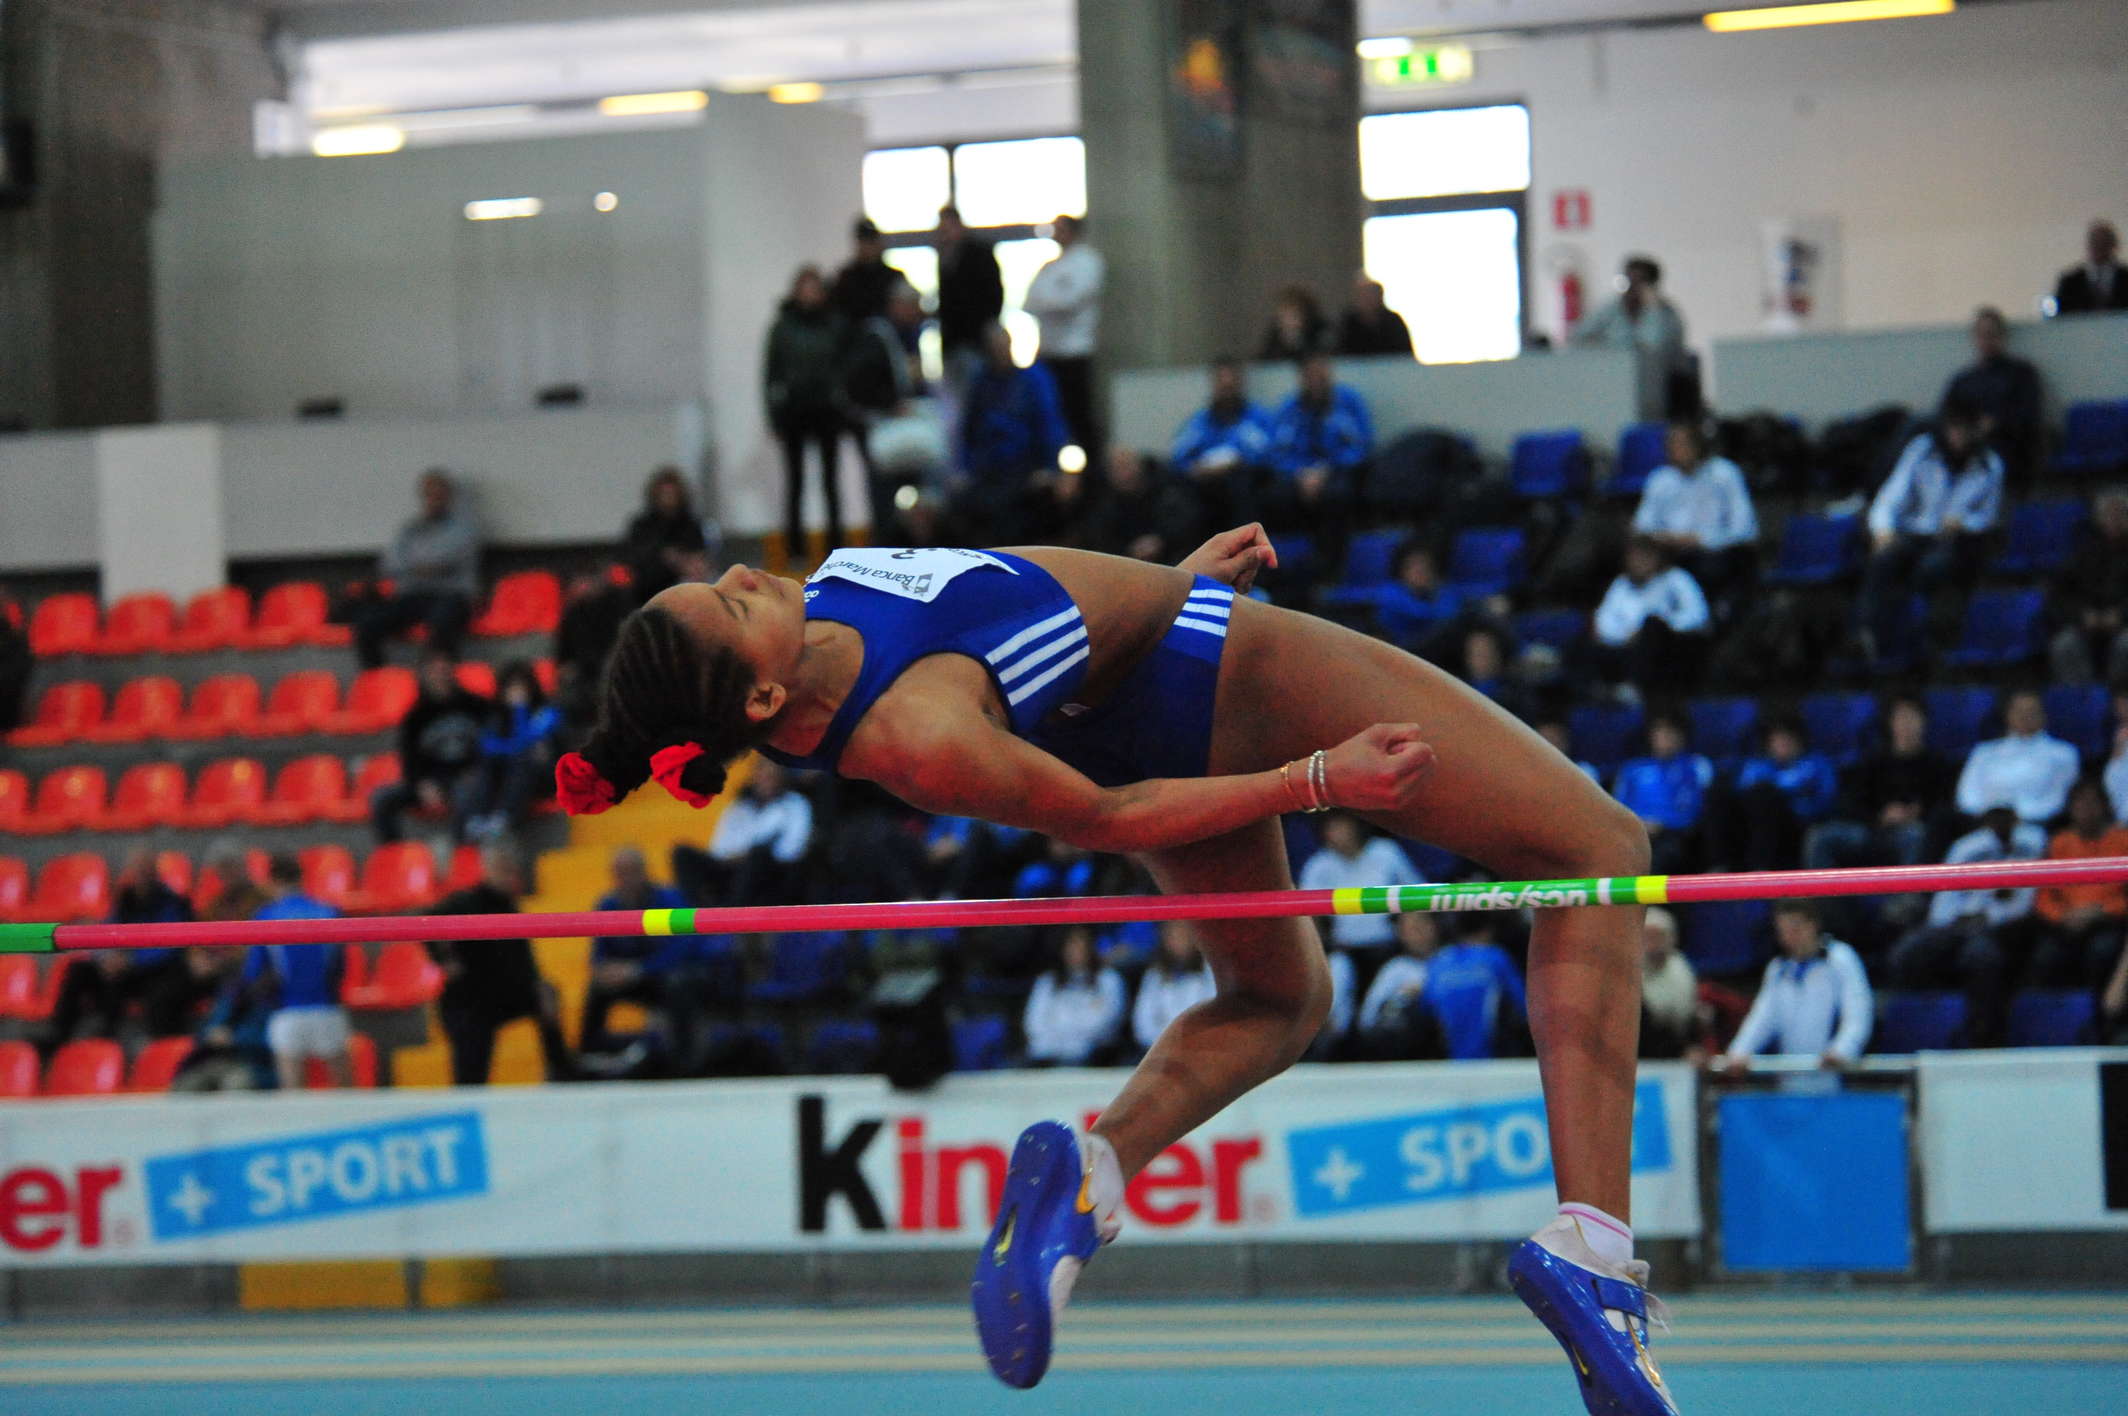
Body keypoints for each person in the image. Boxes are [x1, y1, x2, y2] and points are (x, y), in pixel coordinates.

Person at [555, 521, 1674, 1411]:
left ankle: (1095, 1173)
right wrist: (1315, 778)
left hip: (1145, 675)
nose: (747, 573)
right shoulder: (915, 732)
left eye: (722, 579)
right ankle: (1592, 1247)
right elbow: (1108, 817)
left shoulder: (828, 610)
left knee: (1278, 1000)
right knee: (1599, 851)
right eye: (732, 603)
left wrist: (1157, 590)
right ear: (760, 701)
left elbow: (1018, 616)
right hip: (1213, 678)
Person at [1888, 804, 2046, 1047]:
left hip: (2006, 928)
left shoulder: (2032, 843)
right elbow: (1945, 895)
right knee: (1908, 952)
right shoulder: (1968, 846)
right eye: (1994, 816)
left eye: (2005, 816)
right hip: (1957, 924)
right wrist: (1951, 921)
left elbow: (2026, 901)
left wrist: (1990, 918)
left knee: (1980, 956)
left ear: (2016, 817)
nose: (2000, 823)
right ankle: (1922, 1037)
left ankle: (1983, 1043)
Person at [1859, 401, 2003, 661]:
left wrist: (1965, 522)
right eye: (1953, 429)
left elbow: (1988, 516)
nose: (1957, 437)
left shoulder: (1990, 465)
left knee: (1933, 568)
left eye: (1964, 430)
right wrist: (1883, 530)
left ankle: (1921, 639)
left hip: (1957, 540)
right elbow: (1891, 497)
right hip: (1916, 531)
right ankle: (1867, 633)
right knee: (1883, 560)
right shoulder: (1922, 450)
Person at [426, 844, 573, 1085]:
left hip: (504, 995)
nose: (509, 876)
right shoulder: (466, 901)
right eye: (502, 869)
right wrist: (443, 960)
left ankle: (562, 1074)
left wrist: (538, 984)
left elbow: (524, 958)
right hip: (470, 1000)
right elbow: (427, 921)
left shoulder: (509, 905)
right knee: (471, 1071)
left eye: (511, 870)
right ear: (488, 869)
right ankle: (470, 1095)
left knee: (546, 993)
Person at [581, 845, 726, 1062]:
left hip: (671, 975)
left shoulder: (669, 899)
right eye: (620, 872)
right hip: (637, 978)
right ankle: (590, 1053)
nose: (626, 879)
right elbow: (599, 952)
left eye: (631, 871)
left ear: (644, 871)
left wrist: (640, 969)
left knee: (678, 983)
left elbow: (684, 946)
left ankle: (683, 1060)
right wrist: (604, 970)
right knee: (598, 986)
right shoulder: (608, 904)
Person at [350, 470, 483, 669]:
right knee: (367, 624)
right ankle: (378, 678)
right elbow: (389, 564)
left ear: (449, 497)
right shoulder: (409, 529)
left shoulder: (464, 529)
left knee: (443, 622)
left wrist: (412, 564)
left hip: (451, 595)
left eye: (439, 495)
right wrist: (418, 566)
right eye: (429, 495)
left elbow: (442, 562)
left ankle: (439, 678)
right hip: (412, 596)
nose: (434, 501)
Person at [1715, 901, 1872, 1070]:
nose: (1789, 938)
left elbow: (1858, 1013)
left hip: (1834, 1071)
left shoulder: (1840, 958)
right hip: (1790, 1073)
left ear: (1813, 925)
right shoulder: (1778, 968)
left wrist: (1842, 1051)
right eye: (1783, 931)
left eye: (1795, 929)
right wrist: (1738, 1052)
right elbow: (1762, 1018)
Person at [1804, 695, 1950, 872]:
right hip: (1870, 829)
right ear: (1890, 723)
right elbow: (1852, 802)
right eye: (1900, 717)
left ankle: (1908, 890)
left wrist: (1916, 813)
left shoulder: (1936, 763)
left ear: (1924, 721)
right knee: (1820, 836)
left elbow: (1944, 806)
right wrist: (1881, 816)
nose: (1906, 724)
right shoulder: (1873, 760)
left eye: (1912, 717)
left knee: (1916, 835)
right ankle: (1824, 890)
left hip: (1913, 829)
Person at [763, 267, 850, 562]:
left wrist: (842, 402)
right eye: (805, 288)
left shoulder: (835, 324)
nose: (810, 295)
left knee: (831, 483)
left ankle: (836, 547)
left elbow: (844, 367)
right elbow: (771, 374)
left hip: (827, 411)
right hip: (795, 411)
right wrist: (774, 415)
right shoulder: (782, 327)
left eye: (814, 288)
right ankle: (796, 549)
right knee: (795, 483)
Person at [1629, 420, 1758, 615]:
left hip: (1715, 551)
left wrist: (1700, 539)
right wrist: (1664, 538)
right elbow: (1642, 525)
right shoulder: (1661, 479)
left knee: (1711, 566)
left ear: (1698, 445)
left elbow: (1745, 530)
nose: (1676, 449)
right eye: (1671, 444)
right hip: (1668, 550)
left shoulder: (1725, 474)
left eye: (1682, 443)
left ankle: (1709, 619)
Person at [955, 323, 1070, 542]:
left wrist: (1051, 467)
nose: (1000, 352)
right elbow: (969, 429)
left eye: (1004, 346)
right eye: (994, 347)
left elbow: (1050, 423)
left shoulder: (1033, 379)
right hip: (988, 471)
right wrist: (964, 467)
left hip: (1026, 469)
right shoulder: (980, 383)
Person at [246, 855, 351, 1089]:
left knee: (293, 1095)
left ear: (272, 881)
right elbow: (341, 965)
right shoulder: (329, 911)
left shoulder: (266, 916)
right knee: (346, 1092)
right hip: (327, 1009)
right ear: (300, 878)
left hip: (288, 1012)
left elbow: (253, 972)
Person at [844, 281, 935, 540]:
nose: (916, 314)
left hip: (897, 426)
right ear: (897, 305)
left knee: (913, 493)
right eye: (912, 307)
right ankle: (886, 544)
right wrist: (890, 404)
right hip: (883, 425)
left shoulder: (907, 336)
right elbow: (858, 384)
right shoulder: (877, 338)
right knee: (884, 495)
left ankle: (910, 540)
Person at [370, 649, 490, 843]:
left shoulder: (479, 706)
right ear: (424, 675)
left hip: (469, 777)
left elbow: (495, 744)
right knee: (381, 798)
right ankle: (393, 854)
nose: (440, 676)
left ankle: (462, 851)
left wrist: (479, 770)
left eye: (444, 670)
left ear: (453, 671)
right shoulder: (415, 716)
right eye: (434, 671)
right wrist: (421, 784)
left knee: (468, 794)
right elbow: (409, 758)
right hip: (433, 780)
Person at [670, 757, 813, 907]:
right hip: (733, 869)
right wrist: (736, 857)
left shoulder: (794, 804)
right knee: (682, 853)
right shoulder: (740, 807)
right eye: (763, 775)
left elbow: (792, 850)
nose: (767, 781)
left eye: (772, 776)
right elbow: (719, 848)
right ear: (754, 777)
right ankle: (700, 910)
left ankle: (734, 911)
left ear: (782, 779)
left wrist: (748, 854)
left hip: (771, 874)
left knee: (758, 855)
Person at [1262, 354, 1371, 551]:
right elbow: (1277, 452)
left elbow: (1362, 446)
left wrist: (1326, 471)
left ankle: (1330, 563)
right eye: (1310, 375)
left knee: (1338, 495)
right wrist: (1300, 474)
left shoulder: (1348, 403)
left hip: (1337, 471)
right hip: (1298, 475)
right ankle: (1284, 562)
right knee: (1274, 496)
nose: (1316, 380)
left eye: (1320, 373)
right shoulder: (1289, 408)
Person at [2031, 778, 2128, 989]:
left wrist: (2103, 911)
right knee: (2044, 956)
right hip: (2065, 924)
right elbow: (2044, 896)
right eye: (2079, 803)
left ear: (2105, 806)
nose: (2086, 809)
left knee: (2103, 951)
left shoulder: (2123, 840)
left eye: (2092, 802)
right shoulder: (2059, 843)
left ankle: (2105, 1009)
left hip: (2111, 923)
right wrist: (2062, 916)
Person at [1021, 214, 1105, 456]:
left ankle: (1091, 469)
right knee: (1050, 415)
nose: (1056, 234)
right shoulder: (1050, 266)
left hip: (1075, 351)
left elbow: (1071, 301)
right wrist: (1051, 300)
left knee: (1078, 414)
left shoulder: (1088, 262)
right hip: (1049, 350)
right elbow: (1030, 302)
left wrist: (1049, 301)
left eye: (1060, 229)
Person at [1712, 717, 1840, 872]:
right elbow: (1742, 793)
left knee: (1766, 795)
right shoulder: (1758, 765)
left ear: (1800, 741)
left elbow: (1825, 801)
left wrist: (1791, 798)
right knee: (1719, 796)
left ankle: (1761, 867)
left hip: (1799, 822)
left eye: (1788, 739)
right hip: (1755, 824)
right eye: (1777, 740)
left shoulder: (1817, 764)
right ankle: (1720, 866)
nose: (1782, 744)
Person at [1572, 255, 1690, 421]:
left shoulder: (1666, 314)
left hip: (1660, 386)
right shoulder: (1611, 308)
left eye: (1639, 282)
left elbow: (1654, 347)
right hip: (1612, 381)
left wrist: (1652, 308)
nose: (1631, 288)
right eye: (1628, 280)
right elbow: (1578, 337)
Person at [1589, 536, 1711, 697]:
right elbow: (1605, 617)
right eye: (1634, 558)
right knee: (1588, 635)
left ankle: (1634, 688)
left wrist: (1663, 624)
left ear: (1657, 558)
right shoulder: (1622, 583)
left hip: (1668, 644)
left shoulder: (1676, 578)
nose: (1638, 563)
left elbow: (1697, 614)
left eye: (1644, 557)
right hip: (1625, 642)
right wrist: (1624, 635)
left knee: (1652, 625)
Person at [1296, 811, 1422, 959]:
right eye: (1332, 828)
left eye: (1342, 826)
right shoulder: (1318, 865)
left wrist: (1411, 938)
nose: (1337, 834)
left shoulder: (1385, 851)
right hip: (1343, 950)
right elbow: (1307, 914)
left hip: (1391, 945)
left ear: (1356, 825)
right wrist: (1317, 951)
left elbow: (1416, 893)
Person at [465, 660, 564, 841]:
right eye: (511, 687)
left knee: (524, 758)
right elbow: (487, 746)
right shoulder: (495, 716)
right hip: (504, 776)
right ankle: (479, 817)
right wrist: (508, 748)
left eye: (521, 686)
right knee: (486, 765)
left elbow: (525, 742)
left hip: (542, 775)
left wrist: (520, 710)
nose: (516, 692)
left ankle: (505, 817)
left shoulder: (547, 712)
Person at [1169, 358, 1273, 530]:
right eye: (1221, 382)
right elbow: (1178, 456)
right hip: (1206, 485)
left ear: (1240, 383)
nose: (1226, 386)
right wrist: (1196, 468)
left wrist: (1238, 463)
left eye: (1231, 382)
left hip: (1246, 482)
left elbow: (1270, 454)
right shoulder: (1199, 421)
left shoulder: (1258, 417)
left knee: (1243, 484)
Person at [1954, 688, 2080, 827]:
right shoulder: (1984, 752)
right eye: (2019, 711)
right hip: (1984, 823)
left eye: (2031, 711)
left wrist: (2018, 817)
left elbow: (2059, 799)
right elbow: (1967, 792)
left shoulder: (2063, 753)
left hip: (2037, 825)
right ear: (2008, 715)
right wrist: (1988, 816)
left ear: (2043, 715)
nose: (2024, 716)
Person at [1941, 307, 2042, 479]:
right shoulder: (1964, 379)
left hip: (2004, 443)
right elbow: (1945, 411)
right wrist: (1954, 431)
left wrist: (1995, 423)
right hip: (1962, 441)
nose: (1986, 340)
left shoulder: (2021, 374)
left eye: (1991, 334)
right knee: (1919, 432)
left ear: (2002, 336)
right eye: (1981, 335)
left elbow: (2028, 415)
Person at [1611, 711, 1713, 876]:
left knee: (1667, 850)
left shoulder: (1694, 766)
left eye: (1670, 732)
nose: (1664, 737)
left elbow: (1694, 811)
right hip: (1635, 833)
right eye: (1659, 731)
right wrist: (1640, 825)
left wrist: (1662, 824)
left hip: (1674, 835)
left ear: (1682, 737)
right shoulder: (1632, 769)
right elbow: (1617, 808)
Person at [2048, 489, 2128, 686]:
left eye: (2120, 514)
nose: (2114, 520)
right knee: (2063, 645)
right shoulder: (2083, 552)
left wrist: (2120, 615)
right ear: (2099, 519)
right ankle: (2083, 697)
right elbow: (2060, 594)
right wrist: (2082, 615)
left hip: (2124, 623)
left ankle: (2119, 694)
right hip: (2086, 622)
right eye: (2109, 514)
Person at [1069, 447, 1200, 565]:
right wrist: (1127, 551)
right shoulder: (1103, 501)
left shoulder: (1168, 490)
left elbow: (1188, 523)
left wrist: (1161, 540)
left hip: (1173, 559)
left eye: (1126, 466)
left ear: (1139, 466)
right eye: (1117, 469)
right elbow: (1099, 538)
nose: (1124, 474)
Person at [1021, 926, 1125, 1065]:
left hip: (1092, 1053)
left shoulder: (1108, 979)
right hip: (1047, 1051)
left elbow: (1107, 1022)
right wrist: (1057, 1042)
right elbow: (1034, 1023)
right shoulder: (1047, 981)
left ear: (1091, 947)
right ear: (1062, 948)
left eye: (1081, 944)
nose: (1076, 950)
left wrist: (1073, 1040)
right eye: (1071, 944)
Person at [1356, 910, 1444, 1059]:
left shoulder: (1450, 960)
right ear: (1400, 933)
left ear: (1435, 925)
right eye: (1411, 927)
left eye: (1422, 924)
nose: (1418, 932)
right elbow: (1367, 1019)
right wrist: (1401, 998)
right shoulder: (1395, 968)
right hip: (1406, 1047)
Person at [935, 205, 1004, 384]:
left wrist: (986, 328)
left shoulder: (979, 255)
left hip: (975, 339)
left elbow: (993, 296)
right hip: (953, 340)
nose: (944, 235)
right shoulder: (946, 256)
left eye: (947, 229)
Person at [620, 467, 710, 603]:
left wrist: (685, 562)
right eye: (664, 494)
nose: (668, 499)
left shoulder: (691, 525)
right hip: (646, 589)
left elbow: (700, 556)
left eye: (672, 494)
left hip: (683, 589)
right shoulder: (642, 526)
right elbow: (634, 559)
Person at [1130, 922, 1216, 1054]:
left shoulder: (1211, 971)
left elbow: (1215, 1013)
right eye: (1173, 935)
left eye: (1184, 934)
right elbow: (1142, 1023)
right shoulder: (1155, 974)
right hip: (1158, 1051)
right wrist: (1165, 1045)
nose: (1179, 940)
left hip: (1203, 1048)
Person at [1638, 908, 1700, 1061]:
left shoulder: (1682, 969)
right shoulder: (1628, 972)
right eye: (1648, 936)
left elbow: (1689, 1020)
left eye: (1658, 936)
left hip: (1675, 1055)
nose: (1653, 943)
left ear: (1672, 938)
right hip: (1640, 1052)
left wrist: (1692, 1047)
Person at [2052, 219, 2128, 316]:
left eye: (2104, 242)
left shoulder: (2125, 278)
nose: (2099, 247)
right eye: (2095, 242)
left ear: (2113, 245)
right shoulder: (2070, 282)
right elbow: (2061, 318)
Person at [829, 216, 895, 327]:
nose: (867, 248)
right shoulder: (845, 278)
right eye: (864, 242)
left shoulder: (893, 277)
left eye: (871, 242)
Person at [1336, 276, 1413, 358]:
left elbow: (1404, 351)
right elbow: (1342, 351)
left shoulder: (1393, 320)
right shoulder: (1349, 322)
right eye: (1363, 295)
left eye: (1371, 294)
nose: (1367, 299)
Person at [1257, 284, 1330, 362]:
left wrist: (1296, 340)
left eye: (1291, 314)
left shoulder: (1319, 331)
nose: (1285, 320)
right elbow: (1265, 360)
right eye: (1282, 315)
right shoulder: (1276, 333)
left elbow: (1319, 356)